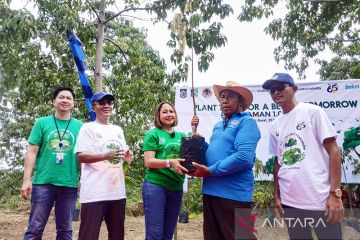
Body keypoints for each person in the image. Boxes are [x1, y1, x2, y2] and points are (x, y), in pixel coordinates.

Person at [262, 73, 344, 240]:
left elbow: (334, 152)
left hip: (320, 200)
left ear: (295, 88)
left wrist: (335, 194)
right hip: (290, 202)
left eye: (280, 87)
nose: (276, 92)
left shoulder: (313, 112)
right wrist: (277, 196)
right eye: (272, 90)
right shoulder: (274, 125)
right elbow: (278, 162)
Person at [191, 81, 260, 240]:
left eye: (230, 96)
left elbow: (244, 157)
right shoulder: (218, 125)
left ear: (240, 101)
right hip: (210, 191)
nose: (224, 100)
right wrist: (198, 141)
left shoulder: (247, 122)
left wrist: (210, 171)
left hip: (234, 194)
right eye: (222, 97)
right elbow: (213, 152)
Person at [20, 86, 83, 240]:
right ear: (54, 102)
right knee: (35, 228)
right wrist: (27, 180)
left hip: (69, 184)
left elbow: (82, 156)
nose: (65, 100)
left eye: (69, 98)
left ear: (73, 103)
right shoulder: (42, 123)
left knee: (65, 230)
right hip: (43, 182)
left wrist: (83, 179)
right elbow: (32, 151)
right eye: (61, 97)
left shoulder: (80, 126)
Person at [75, 92, 133, 240]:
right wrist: (105, 155)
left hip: (117, 193)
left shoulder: (118, 130)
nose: (106, 106)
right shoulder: (88, 128)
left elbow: (122, 155)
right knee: (88, 236)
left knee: (117, 235)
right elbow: (80, 156)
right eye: (102, 103)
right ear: (93, 107)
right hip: (94, 192)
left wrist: (127, 157)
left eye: (109, 103)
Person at [142, 101, 189, 240]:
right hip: (155, 186)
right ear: (158, 115)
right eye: (165, 112)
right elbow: (148, 161)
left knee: (168, 235)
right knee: (154, 234)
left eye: (171, 111)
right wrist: (169, 162)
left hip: (176, 187)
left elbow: (187, 159)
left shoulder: (182, 136)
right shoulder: (153, 134)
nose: (169, 114)